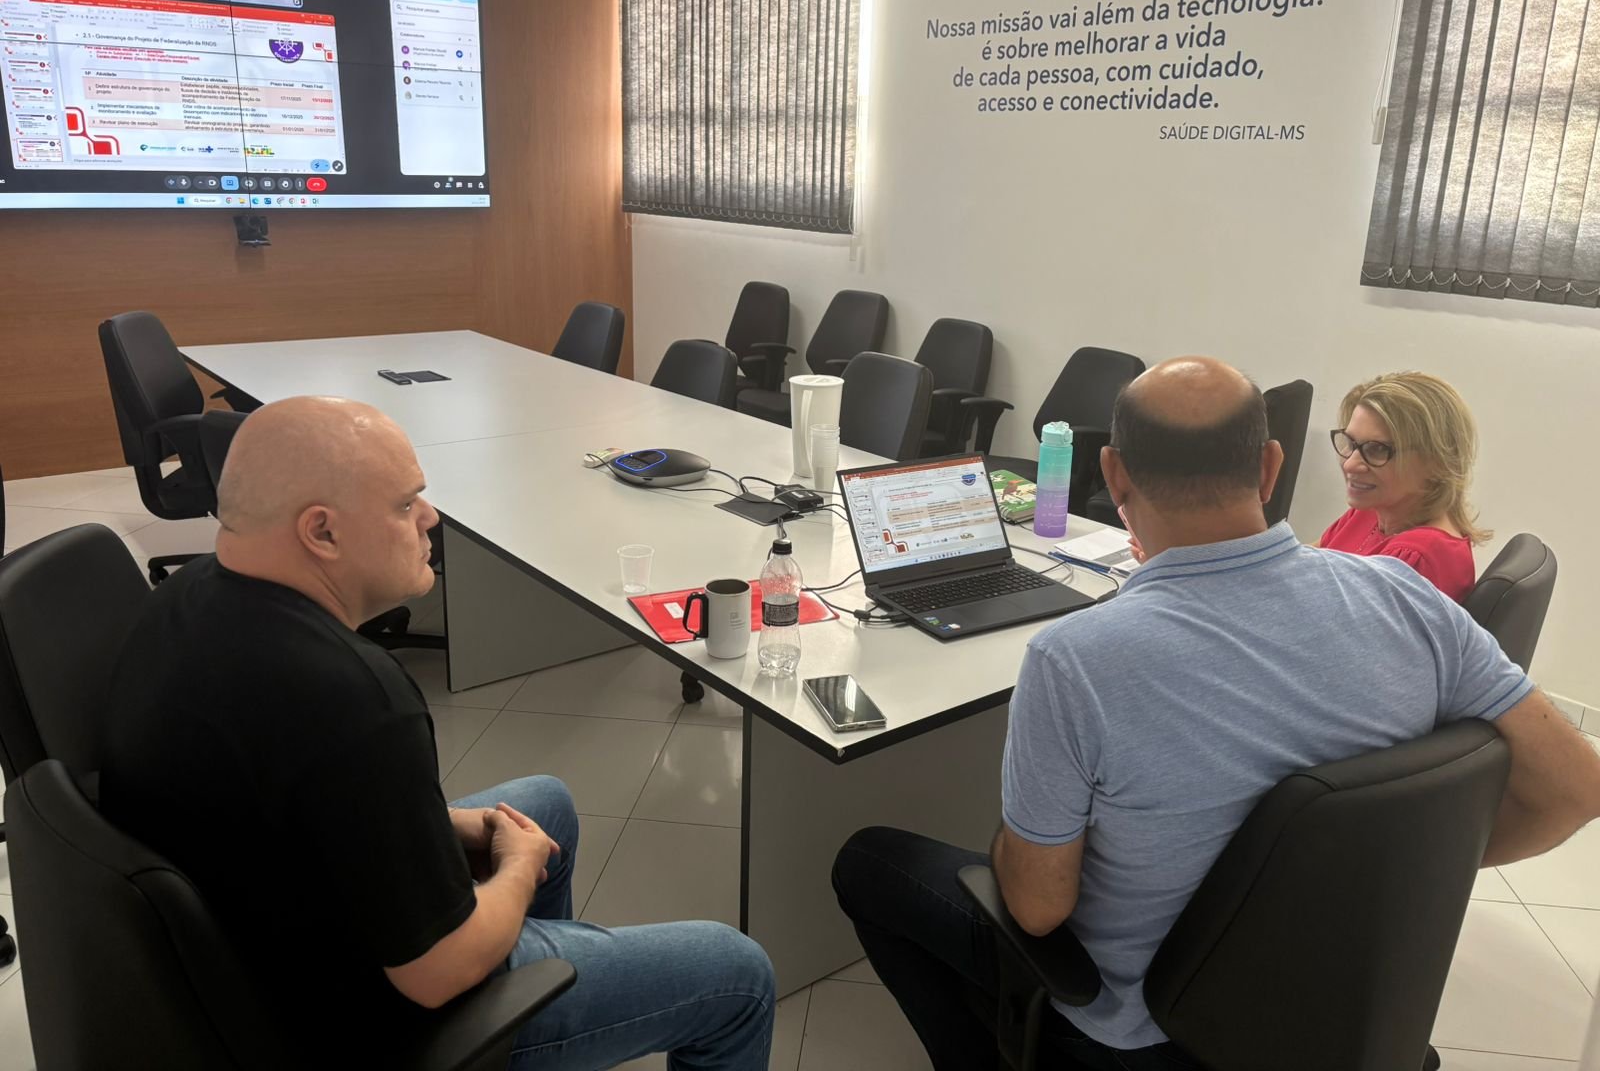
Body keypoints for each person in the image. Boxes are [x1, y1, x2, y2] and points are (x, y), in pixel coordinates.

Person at [832, 357, 1600, 1071]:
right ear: (1271, 467)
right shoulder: (1409, 601)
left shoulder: (1075, 659)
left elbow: (1036, 910)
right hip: (1334, 1002)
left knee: (870, 861)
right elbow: (1579, 787)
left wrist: (1014, 836)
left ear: (1113, 474)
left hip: (1150, 1034)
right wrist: (1407, 867)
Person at [100, 396, 775, 1069]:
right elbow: (436, 972)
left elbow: (286, 803)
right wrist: (518, 869)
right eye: (405, 504)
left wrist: (444, 827)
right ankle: (510, 1029)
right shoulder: (352, 698)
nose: (430, 517)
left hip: (250, 938)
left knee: (545, 802)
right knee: (737, 974)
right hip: (358, 1020)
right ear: (322, 532)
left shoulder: (186, 600)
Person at [1320, 371, 1484, 602]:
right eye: (1350, 443)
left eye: (1377, 449)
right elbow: (1305, 563)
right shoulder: (1372, 511)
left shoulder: (1416, 558)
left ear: (1436, 461)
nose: (1350, 464)